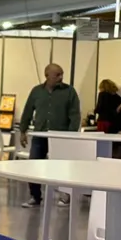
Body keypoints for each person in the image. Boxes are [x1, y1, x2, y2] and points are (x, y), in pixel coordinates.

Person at [19, 63, 81, 208]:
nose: (61, 77)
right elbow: (28, 111)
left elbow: (75, 115)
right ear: (47, 75)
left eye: (62, 74)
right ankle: (35, 196)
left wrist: (71, 135)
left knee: (62, 168)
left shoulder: (69, 92)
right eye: (57, 75)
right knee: (34, 165)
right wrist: (23, 130)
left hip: (60, 137)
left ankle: (65, 195)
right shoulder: (36, 91)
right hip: (39, 135)